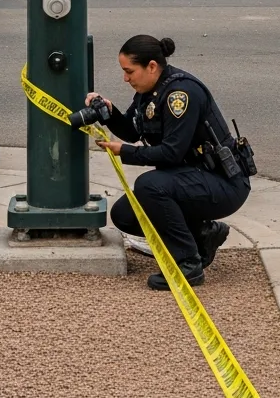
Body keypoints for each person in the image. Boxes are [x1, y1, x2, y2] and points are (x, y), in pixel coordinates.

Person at [91, 35, 252, 290]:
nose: (126, 78)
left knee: (150, 185)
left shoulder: (180, 95)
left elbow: (171, 154)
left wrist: (126, 152)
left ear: (152, 66)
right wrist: (109, 112)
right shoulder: (149, 91)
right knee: (124, 215)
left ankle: (188, 264)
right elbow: (133, 130)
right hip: (193, 177)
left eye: (129, 71)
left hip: (223, 184)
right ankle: (202, 235)